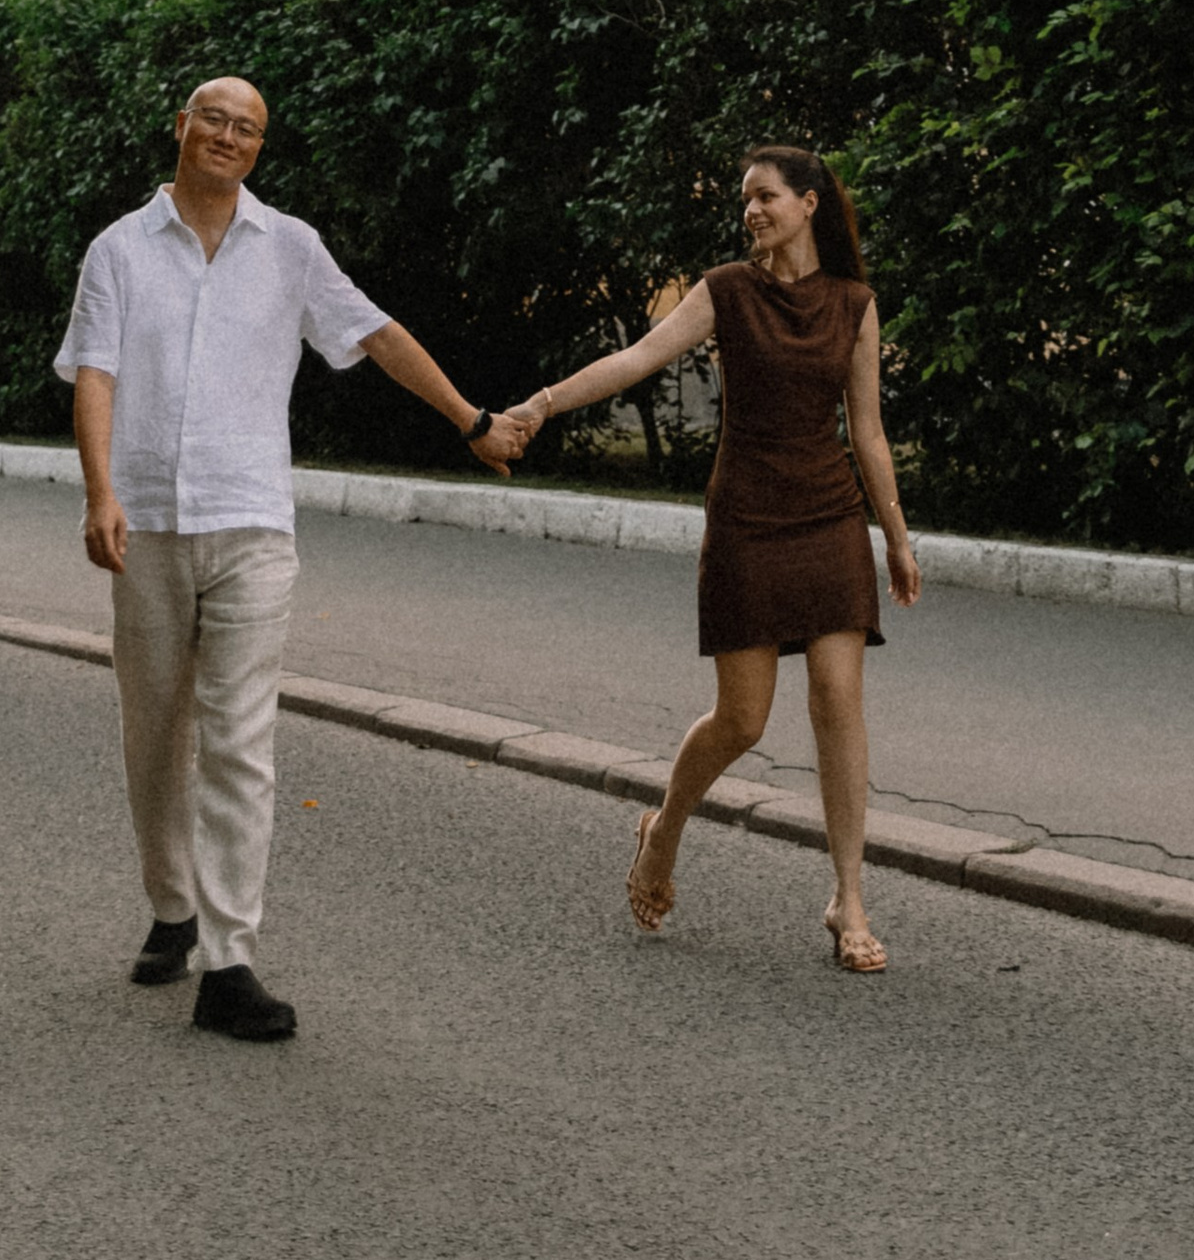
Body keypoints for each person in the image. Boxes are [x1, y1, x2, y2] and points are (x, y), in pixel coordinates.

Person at [57, 76, 525, 1044]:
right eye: (213, 119)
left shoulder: (291, 249)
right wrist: (100, 492)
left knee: (237, 742)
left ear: (258, 149)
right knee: (154, 735)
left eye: (248, 128)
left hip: (253, 525)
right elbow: (94, 372)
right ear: (179, 127)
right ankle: (171, 905)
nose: (228, 136)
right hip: (144, 525)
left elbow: (378, 334)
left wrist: (469, 421)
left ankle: (228, 962)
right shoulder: (117, 250)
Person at [503, 146, 919, 974]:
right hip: (747, 520)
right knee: (744, 718)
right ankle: (663, 830)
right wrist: (544, 403)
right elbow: (637, 360)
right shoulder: (726, 290)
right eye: (745, 201)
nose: (751, 211)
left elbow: (867, 432)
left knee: (839, 699)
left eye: (765, 197)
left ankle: (848, 897)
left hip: (830, 517)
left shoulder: (854, 304)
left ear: (809, 204)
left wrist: (897, 538)